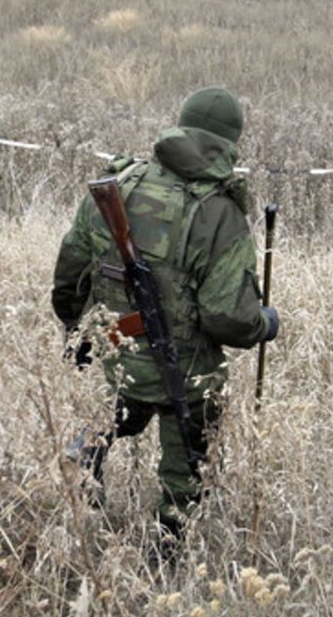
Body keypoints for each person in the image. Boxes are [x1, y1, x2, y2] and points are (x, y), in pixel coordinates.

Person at [51, 86, 279, 556]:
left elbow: (70, 273)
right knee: (187, 468)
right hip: (187, 375)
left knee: (115, 412)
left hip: (117, 357)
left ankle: (87, 453)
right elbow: (226, 317)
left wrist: (81, 334)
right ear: (231, 142)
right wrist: (265, 324)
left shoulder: (121, 183)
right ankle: (167, 553)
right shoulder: (219, 212)